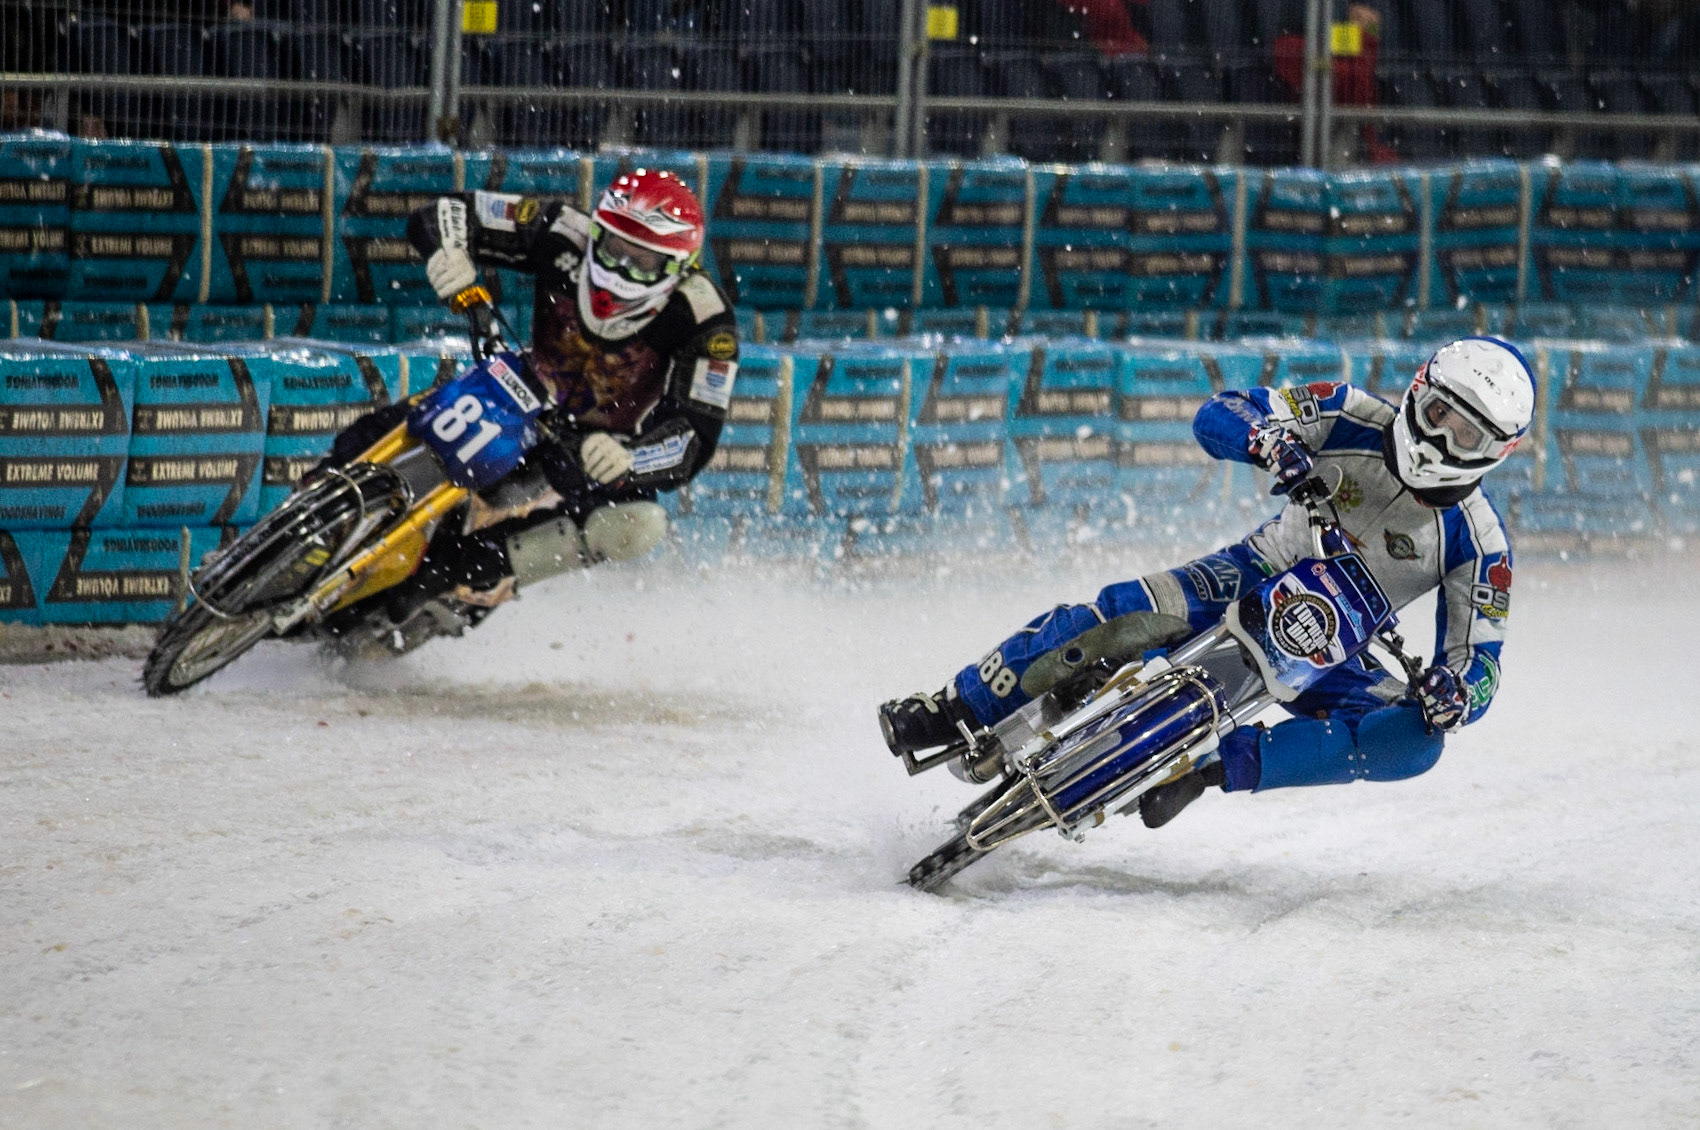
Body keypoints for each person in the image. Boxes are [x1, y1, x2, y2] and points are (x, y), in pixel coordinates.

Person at [878, 337, 1533, 828]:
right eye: (1439, 412)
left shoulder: (1483, 545)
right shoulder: (1347, 410)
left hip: (1336, 648)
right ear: (1418, 390)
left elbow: (1480, 663)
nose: (1440, 437)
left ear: (1496, 451)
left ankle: (1211, 768)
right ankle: (954, 708)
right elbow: (1222, 409)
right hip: (1253, 571)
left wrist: (1454, 695)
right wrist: (1266, 442)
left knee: (1417, 741)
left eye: (1466, 433)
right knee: (1120, 614)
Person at [321, 168, 739, 643]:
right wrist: (447, 251)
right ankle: (321, 494)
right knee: (418, 419)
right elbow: (446, 211)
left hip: (594, 448)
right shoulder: (563, 230)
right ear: (596, 231)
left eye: (643, 263)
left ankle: (451, 573)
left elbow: (694, 435)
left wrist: (633, 458)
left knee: (638, 524)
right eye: (613, 249)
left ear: (680, 267)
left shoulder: (707, 320)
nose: (621, 270)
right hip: (523, 388)